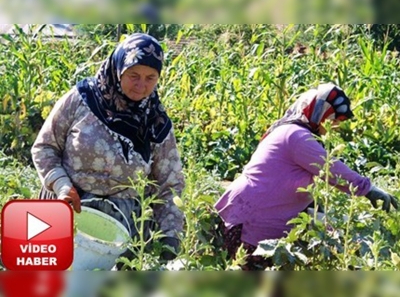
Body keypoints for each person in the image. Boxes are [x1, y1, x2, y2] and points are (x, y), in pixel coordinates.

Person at [31, 33, 185, 268]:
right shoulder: (82, 99)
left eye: (150, 78)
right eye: (133, 75)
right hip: (67, 206)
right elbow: (45, 147)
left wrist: (170, 236)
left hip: (119, 226)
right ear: (118, 68)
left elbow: (169, 184)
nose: (141, 85)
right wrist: (62, 185)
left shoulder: (155, 123)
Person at [214, 83, 398, 270]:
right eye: (333, 119)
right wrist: (369, 190)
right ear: (320, 114)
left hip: (250, 217)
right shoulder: (296, 136)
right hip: (251, 222)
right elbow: (331, 169)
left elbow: (303, 190)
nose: (336, 127)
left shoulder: (292, 131)